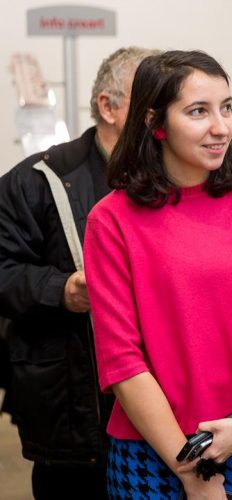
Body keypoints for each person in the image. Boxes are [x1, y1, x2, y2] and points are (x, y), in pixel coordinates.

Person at [83, 50, 232, 499]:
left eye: (226, 107)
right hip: (154, 449)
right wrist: (192, 473)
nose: (221, 127)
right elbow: (122, 361)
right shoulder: (111, 221)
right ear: (156, 122)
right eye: (198, 111)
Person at [0, 46, 157, 499]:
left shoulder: (177, 181)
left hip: (165, 415)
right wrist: (61, 289)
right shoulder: (36, 180)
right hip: (72, 414)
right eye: (151, 101)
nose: (163, 115)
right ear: (108, 107)